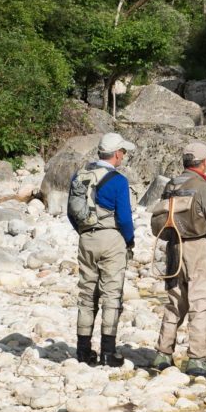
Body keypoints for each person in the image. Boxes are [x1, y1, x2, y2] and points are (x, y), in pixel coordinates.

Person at [152, 141, 206, 378]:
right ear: (205, 162)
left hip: (173, 247)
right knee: (200, 305)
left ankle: (162, 354)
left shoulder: (171, 185)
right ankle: (197, 360)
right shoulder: (202, 187)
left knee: (175, 302)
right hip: (198, 248)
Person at [70, 132, 135, 367]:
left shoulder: (80, 176)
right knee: (111, 295)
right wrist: (129, 240)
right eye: (123, 152)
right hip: (111, 240)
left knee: (87, 295)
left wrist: (84, 232)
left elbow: (72, 212)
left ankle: (83, 352)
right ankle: (108, 352)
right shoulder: (118, 180)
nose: (124, 156)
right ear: (117, 154)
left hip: (86, 238)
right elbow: (125, 219)